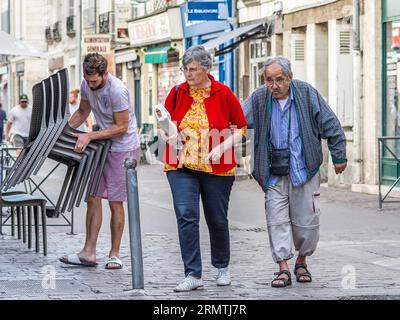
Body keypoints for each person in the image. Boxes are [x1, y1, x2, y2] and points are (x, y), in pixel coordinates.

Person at [242, 56, 347, 288]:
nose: (274, 85)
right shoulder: (260, 97)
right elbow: (239, 120)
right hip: (272, 173)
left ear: (290, 78)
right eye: (269, 80)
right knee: (276, 220)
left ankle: (302, 261)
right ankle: (283, 268)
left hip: (304, 169)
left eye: (279, 79)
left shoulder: (307, 94)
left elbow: (331, 123)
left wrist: (339, 155)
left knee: (306, 223)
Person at [161, 45, 247, 292]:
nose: (188, 73)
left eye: (193, 69)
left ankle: (222, 267)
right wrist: (168, 136)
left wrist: (222, 147)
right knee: (186, 215)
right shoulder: (177, 92)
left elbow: (241, 127)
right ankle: (193, 274)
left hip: (216, 167)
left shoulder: (223, 93)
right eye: (185, 69)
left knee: (217, 219)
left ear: (207, 69)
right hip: (180, 165)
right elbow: (165, 124)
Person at [59, 53, 140, 270]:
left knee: (115, 201)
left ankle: (114, 254)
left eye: (95, 81)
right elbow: (83, 111)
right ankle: (88, 252)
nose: (91, 85)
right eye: (87, 80)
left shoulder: (117, 91)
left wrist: (89, 136)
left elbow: (121, 127)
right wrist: (64, 132)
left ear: (105, 73)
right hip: (103, 145)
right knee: (93, 197)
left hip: (123, 148)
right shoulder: (86, 84)